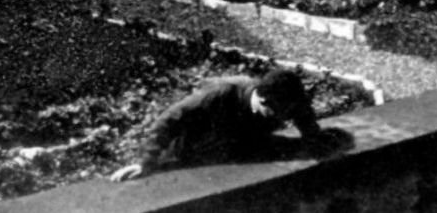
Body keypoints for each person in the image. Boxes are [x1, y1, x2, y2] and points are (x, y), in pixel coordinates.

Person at [110, 68, 324, 180]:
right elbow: (169, 119)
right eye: (277, 113)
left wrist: (314, 138)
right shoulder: (220, 94)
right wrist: (147, 161)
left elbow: (302, 113)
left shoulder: (284, 96)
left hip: (239, 146)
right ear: (262, 100)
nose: (284, 117)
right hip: (192, 150)